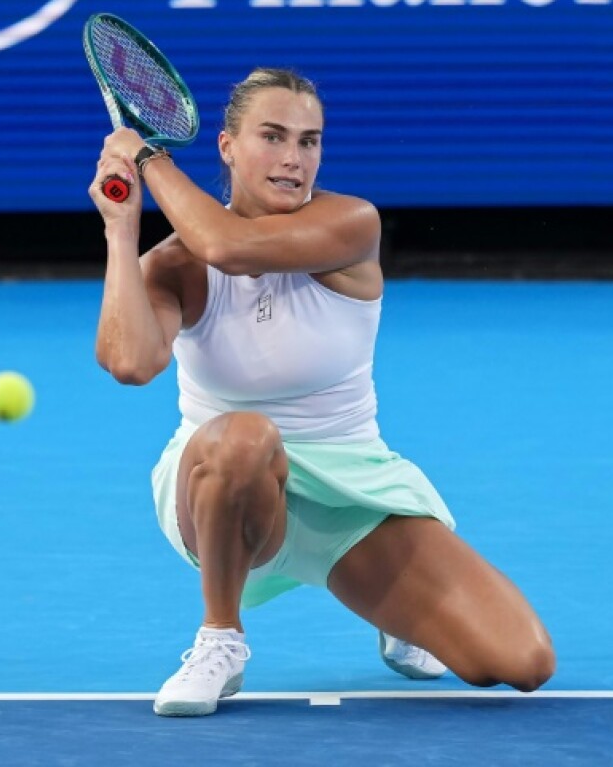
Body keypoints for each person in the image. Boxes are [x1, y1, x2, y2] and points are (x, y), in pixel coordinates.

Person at [89, 68, 555, 717]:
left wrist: (147, 158)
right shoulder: (176, 264)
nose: (293, 159)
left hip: (351, 493)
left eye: (309, 141)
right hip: (226, 493)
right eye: (273, 137)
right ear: (226, 147)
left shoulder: (350, 224)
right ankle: (220, 639)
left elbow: (229, 245)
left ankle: (396, 613)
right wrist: (120, 230)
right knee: (244, 434)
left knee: (522, 662)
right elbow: (129, 362)